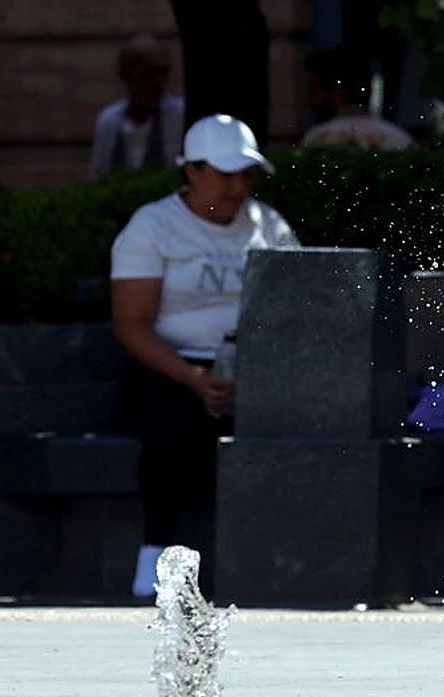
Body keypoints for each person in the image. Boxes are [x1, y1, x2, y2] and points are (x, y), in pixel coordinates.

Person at [111, 114, 299, 598]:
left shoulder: (268, 224)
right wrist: (194, 377)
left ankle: (277, 561)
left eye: (246, 173)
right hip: (172, 367)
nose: (239, 186)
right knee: (170, 421)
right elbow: (132, 323)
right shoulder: (152, 226)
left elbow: (298, 301)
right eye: (225, 173)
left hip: (255, 368)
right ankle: (155, 553)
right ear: (192, 170)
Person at [90, 34, 185, 180]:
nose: (158, 83)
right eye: (149, 74)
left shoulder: (180, 117)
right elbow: (99, 176)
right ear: (125, 74)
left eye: (163, 73)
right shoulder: (109, 122)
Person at [300, 47, 414, 151]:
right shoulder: (400, 138)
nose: (311, 96)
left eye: (314, 87)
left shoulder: (317, 140)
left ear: (337, 90)